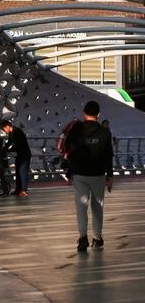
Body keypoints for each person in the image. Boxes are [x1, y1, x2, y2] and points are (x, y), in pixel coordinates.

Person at [64, 100, 114, 252]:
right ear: (98, 115)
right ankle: (97, 239)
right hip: (98, 174)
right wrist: (110, 175)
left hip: (80, 174)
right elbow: (108, 155)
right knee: (97, 207)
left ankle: (83, 238)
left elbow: (68, 148)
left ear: (84, 113)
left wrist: (71, 168)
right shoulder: (105, 132)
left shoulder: (76, 130)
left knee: (81, 207)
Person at [0, 119, 31, 196]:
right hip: (20, 154)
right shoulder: (12, 132)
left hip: (25, 154)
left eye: (4, 130)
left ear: (7, 126)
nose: (5, 131)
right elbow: (10, 141)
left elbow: (17, 144)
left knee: (22, 172)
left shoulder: (17, 132)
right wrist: (5, 148)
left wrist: (9, 150)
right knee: (18, 171)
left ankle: (24, 190)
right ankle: (18, 189)